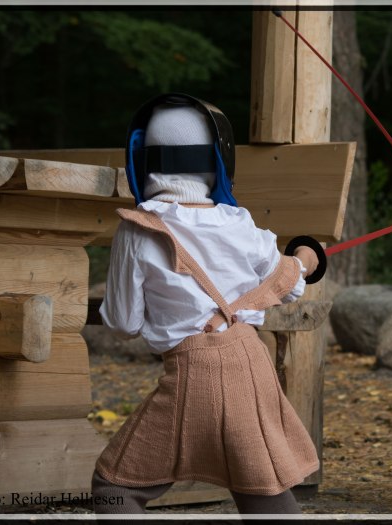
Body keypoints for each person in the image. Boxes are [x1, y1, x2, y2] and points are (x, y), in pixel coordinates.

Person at [91, 93, 320, 514]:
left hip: (194, 370)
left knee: (114, 487)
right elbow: (291, 286)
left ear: (143, 159)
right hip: (251, 363)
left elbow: (123, 323)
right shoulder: (239, 223)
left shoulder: (139, 229)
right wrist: (306, 258)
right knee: (258, 486)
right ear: (218, 158)